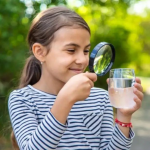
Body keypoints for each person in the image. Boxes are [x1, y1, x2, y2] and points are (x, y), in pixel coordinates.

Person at [8, 6, 143, 150]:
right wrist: (65, 99)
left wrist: (123, 117)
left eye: (86, 51)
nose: (82, 60)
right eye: (71, 50)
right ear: (40, 52)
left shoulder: (101, 98)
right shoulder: (22, 99)